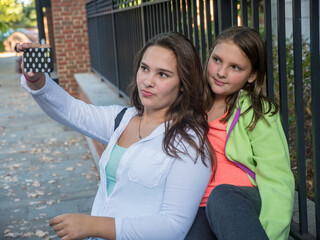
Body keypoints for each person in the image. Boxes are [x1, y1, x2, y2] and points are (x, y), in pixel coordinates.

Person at [17, 32, 214, 240]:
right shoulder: (121, 119)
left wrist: (93, 225)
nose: (148, 81)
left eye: (163, 74)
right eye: (144, 68)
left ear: (183, 83)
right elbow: (70, 110)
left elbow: (173, 227)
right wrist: (37, 79)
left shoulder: (190, 143)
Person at [185, 26, 295, 240]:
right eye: (217, 60)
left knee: (222, 196)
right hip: (199, 206)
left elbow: (277, 179)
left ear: (252, 75)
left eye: (235, 67)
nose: (221, 72)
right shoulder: (191, 105)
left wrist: (270, 234)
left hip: (241, 200)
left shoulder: (258, 112)